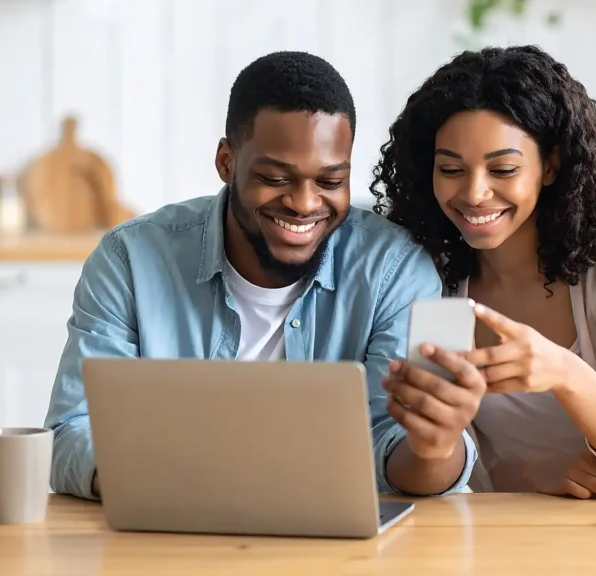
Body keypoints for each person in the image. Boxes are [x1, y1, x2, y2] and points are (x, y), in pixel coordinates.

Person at [45, 51, 484, 501]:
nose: (304, 203)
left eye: (330, 182)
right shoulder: (130, 260)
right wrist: (166, 482)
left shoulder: (394, 269)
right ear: (226, 161)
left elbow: (388, 446)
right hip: (170, 534)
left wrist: (433, 448)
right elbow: (72, 434)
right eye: (275, 178)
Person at [371, 45, 596, 499]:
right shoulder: (429, 281)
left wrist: (563, 371)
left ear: (550, 166)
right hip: (506, 539)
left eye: (503, 168)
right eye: (451, 169)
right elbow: (445, 475)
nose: (474, 193)